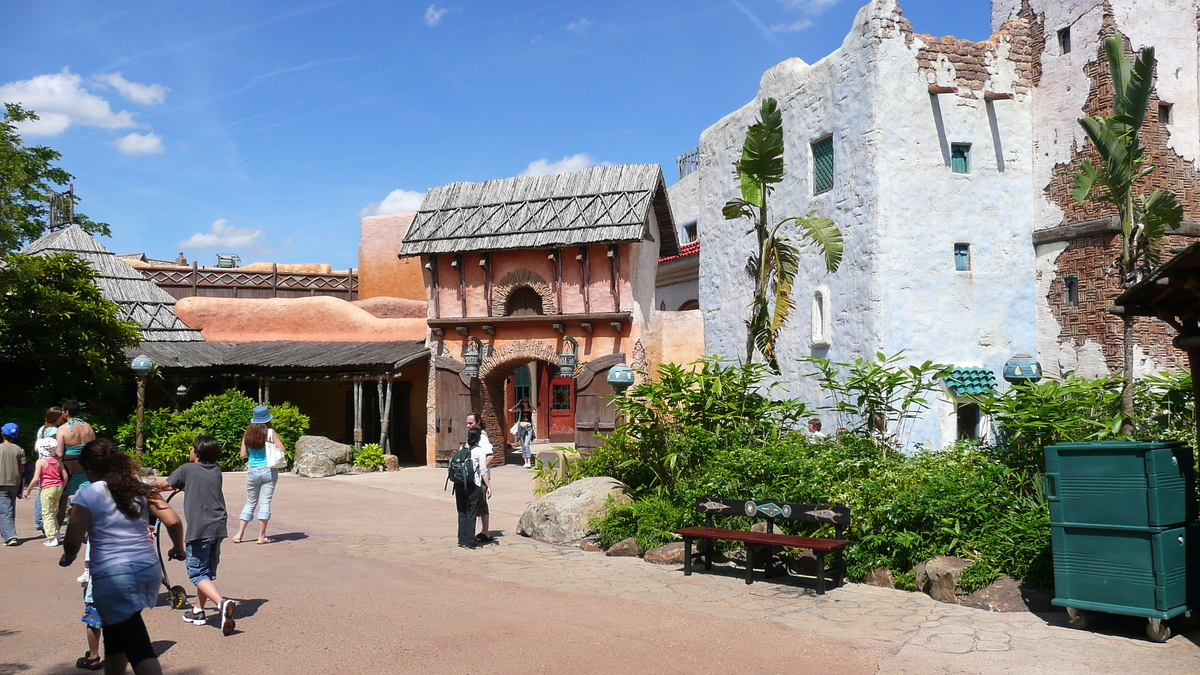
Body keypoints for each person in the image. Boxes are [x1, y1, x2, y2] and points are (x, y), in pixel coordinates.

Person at [59, 438, 187, 675]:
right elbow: (173, 520)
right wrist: (178, 548)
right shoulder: (139, 485)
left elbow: (72, 539)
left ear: (91, 468)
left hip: (114, 577)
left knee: (138, 647)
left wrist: (68, 556)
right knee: (116, 636)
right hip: (147, 569)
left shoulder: (87, 493)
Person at [158, 436, 236, 634]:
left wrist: (144, 484)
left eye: (192, 449)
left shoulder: (187, 469)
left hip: (199, 529)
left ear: (198, 453)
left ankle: (221, 603)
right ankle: (198, 610)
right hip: (217, 527)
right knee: (206, 572)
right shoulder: (217, 470)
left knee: (197, 573)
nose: (189, 452)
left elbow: (165, 484)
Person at [232, 406, 284, 545]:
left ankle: (239, 534)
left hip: (252, 470)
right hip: (268, 470)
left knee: (250, 502)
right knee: (265, 503)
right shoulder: (270, 433)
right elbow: (282, 449)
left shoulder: (247, 434)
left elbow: (243, 455)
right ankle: (261, 536)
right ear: (267, 419)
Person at [57, 400, 97, 518]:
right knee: (87, 496)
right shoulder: (88, 427)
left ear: (67, 412)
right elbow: (94, 447)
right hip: (86, 464)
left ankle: (57, 531)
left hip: (68, 466)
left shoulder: (63, 429)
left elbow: (59, 453)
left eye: (63, 411)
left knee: (62, 498)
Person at [455, 425, 493, 548]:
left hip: (459, 484)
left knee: (462, 512)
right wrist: (488, 486)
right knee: (471, 513)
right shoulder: (479, 451)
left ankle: (462, 540)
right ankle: (470, 542)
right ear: (478, 438)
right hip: (473, 485)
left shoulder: (462, 448)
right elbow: (483, 470)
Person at [23, 439, 65, 545]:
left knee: (46, 513)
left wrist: (28, 491)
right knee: (52, 511)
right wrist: (62, 487)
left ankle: (52, 538)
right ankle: (57, 533)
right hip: (58, 487)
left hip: (47, 488)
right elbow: (65, 476)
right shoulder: (57, 461)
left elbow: (36, 478)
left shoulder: (41, 462)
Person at [32, 407, 63, 534]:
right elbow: (58, 449)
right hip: (52, 463)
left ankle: (39, 520)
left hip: (41, 462)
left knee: (42, 490)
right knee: (55, 489)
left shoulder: (42, 429)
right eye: (61, 417)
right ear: (56, 418)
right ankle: (50, 519)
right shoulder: (55, 430)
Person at [77, 544, 104, 670]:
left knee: (94, 622)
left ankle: (93, 656)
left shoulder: (97, 533)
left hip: (100, 588)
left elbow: (89, 563)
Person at [0, 422, 25, 546]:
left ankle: (10, 536)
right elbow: (22, 468)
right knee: (10, 508)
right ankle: (7, 533)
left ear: (2, 434)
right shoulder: (19, 449)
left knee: (5, 510)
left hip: (1, 482)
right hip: (15, 482)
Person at [508, 399, 535, 468]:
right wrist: (517, 404)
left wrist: (531, 404)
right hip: (521, 428)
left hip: (528, 428)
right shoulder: (521, 409)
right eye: (523, 402)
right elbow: (510, 410)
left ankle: (529, 461)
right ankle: (525, 461)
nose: (524, 403)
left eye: (526, 402)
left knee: (526, 445)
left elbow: (534, 411)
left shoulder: (529, 409)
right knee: (523, 445)